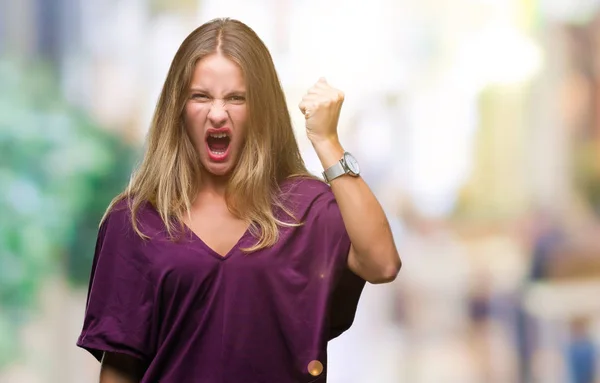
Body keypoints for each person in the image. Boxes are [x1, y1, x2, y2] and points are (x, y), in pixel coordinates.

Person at [76, 17, 401, 383]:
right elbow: (119, 369)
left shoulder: (306, 210)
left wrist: (327, 141)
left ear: (261, 109)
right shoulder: (134, 221)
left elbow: (382, 264)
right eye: (201, 96)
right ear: (178, 108)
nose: (218, 113)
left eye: (236, 98)